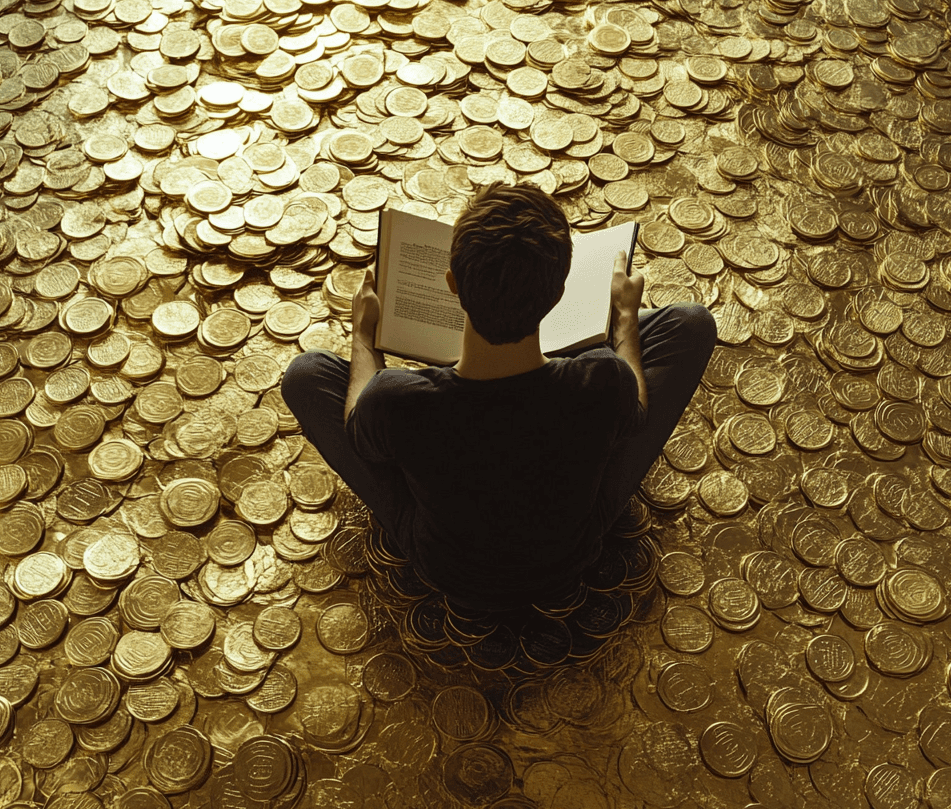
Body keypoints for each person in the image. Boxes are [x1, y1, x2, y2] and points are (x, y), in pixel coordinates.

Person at [281, 183, 718, 613]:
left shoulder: (396, 401)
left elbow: (358, 426)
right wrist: (624, 318)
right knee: (693, 322)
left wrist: (364, 335)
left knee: (305, 374)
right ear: (559, 294)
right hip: (569, 557)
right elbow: (638, 409)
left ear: (453, 284)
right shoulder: (602, 379)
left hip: (448, 568)